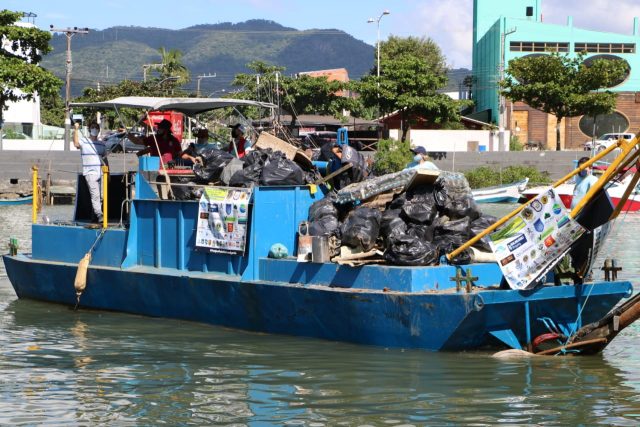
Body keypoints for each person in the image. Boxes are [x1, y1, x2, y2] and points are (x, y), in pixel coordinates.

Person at [73, 121, 107, 223]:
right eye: (93, 127)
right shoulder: (84, 141)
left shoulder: (101, 144)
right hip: (90, 172)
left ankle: (94, 216)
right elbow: (76, 144)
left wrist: (108, 172)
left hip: (101, 172)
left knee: (101, 196)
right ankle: (99, 215)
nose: (95, 129)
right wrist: (76, 129)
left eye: (96, 128)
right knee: (95, 195)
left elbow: (105, 159)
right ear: (89, 129)